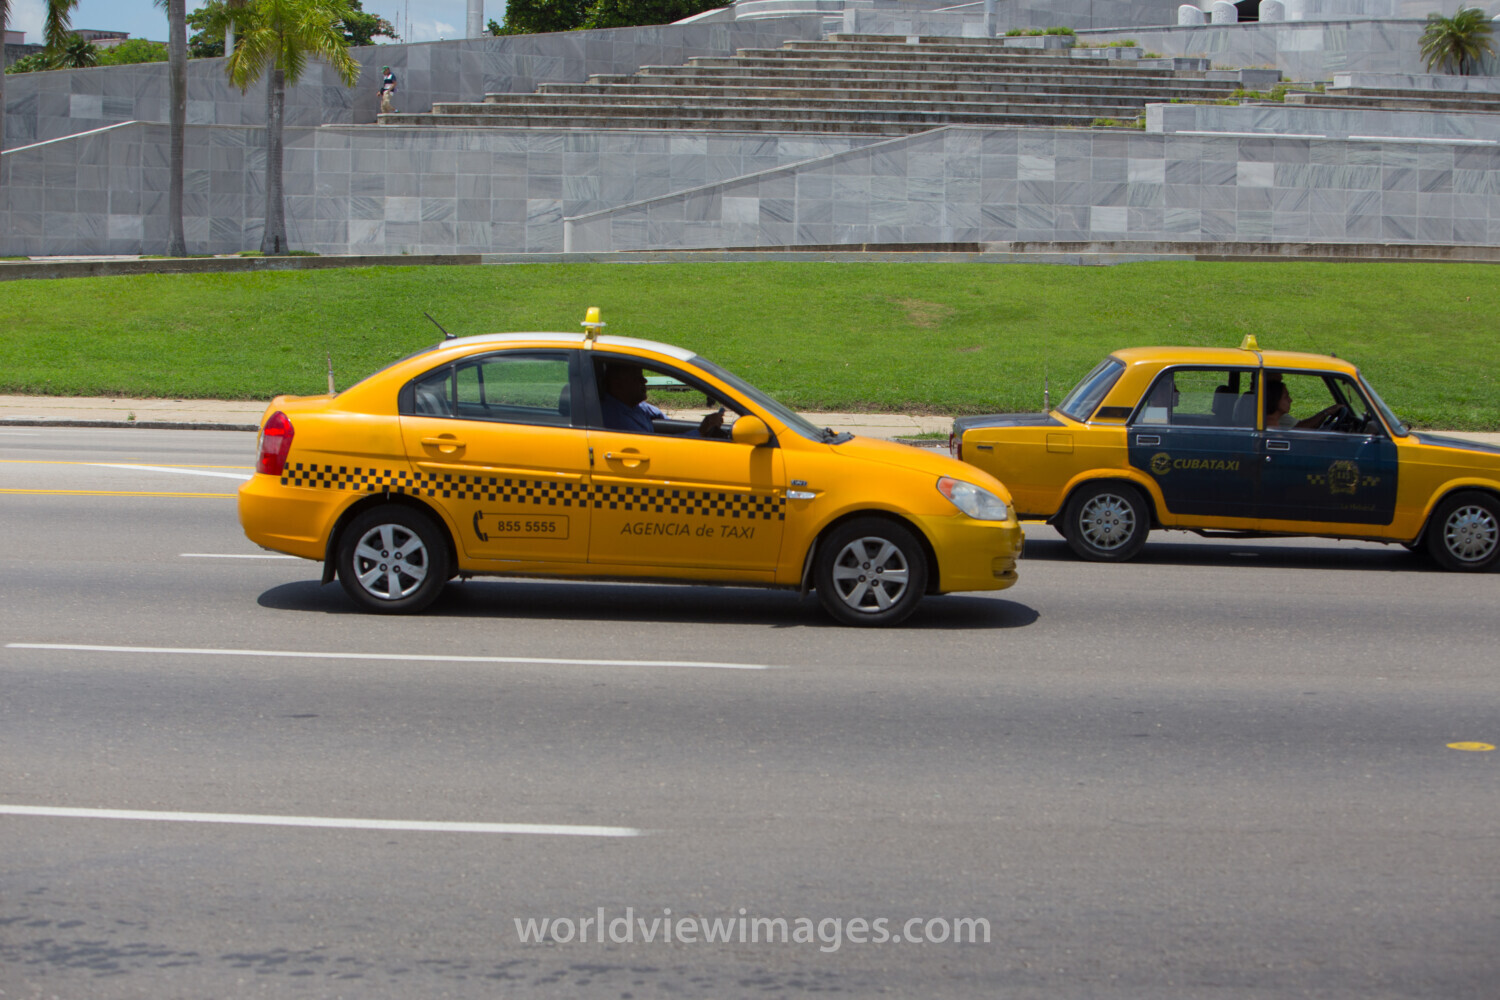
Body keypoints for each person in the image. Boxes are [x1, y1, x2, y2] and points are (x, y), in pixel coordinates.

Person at [599, 363, 724, 436]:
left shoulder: (634, 405)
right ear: (618, 384)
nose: (644, 381)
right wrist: (701, 431)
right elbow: (658, 450)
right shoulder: (617, 421)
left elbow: (665, 422)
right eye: (636, 377)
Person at [1264, 376, 1341, 430]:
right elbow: (1299, 429)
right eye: (1285, 397)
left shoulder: (1272, 423)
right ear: (1275, 399)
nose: (1290, 400)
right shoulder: (1271, 426)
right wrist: (1326, 412)